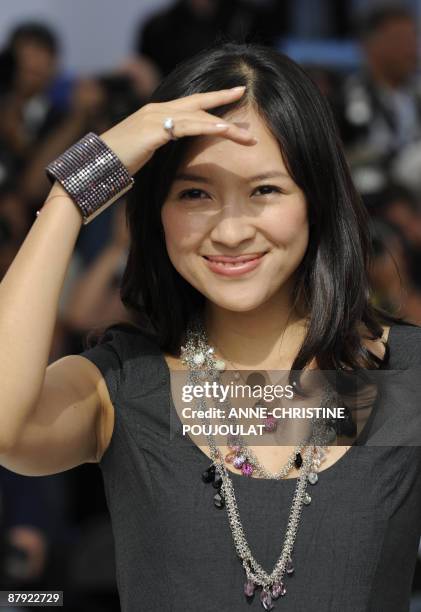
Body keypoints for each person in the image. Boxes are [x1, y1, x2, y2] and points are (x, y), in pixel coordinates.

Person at [0, 41, 420, 612]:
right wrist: (75, 189)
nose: (229, 231)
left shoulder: (406, 374)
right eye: (195, 193)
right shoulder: (125, 385)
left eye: (265, 190)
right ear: (156, 211)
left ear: (316, 199)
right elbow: (7, 427)